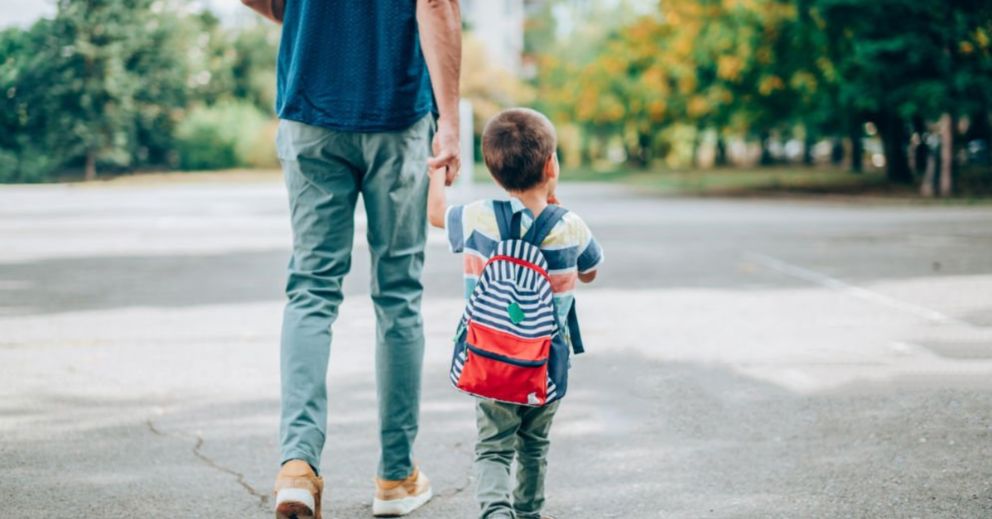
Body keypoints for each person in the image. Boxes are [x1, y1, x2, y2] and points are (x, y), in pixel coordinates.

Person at [239, 0, 462, 517]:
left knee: (312, 289)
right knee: (398, 294)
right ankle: (395, 477)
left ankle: (297, 467)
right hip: (398, 113)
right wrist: (449, 119)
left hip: (310, 104)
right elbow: (434, 5)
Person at [426, 108, 604, 519]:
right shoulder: (571, 226)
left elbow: (436, 214)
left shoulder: (478, 217)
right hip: (544, 365)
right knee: (534, 445)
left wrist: (438, 170)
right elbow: (591, 271)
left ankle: (495, 512)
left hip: (489, 361)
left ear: (494, 175)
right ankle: (528, 512)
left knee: (493, 447)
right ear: (551, 164)